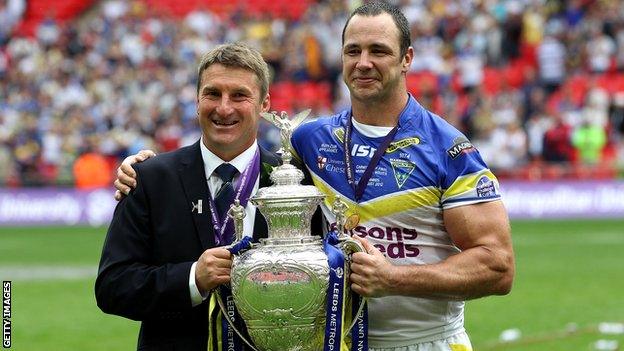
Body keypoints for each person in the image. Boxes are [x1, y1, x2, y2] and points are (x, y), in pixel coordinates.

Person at [114, 3, 515, 350]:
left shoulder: (448, 149)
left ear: (407, 58)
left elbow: (497, 267)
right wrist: (143, 168)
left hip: (424, 340)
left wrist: (395, 279)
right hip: (328, 340)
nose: (364, 63)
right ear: (340, 57)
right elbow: (235, 148)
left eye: (379, 50)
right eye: (353, 50)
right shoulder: (309, 141)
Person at [96, 43, 286, 351]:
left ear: (264, 104)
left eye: (239, 95)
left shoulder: (294, 182)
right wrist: (192, 279)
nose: (224, 108)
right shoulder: (150, 179)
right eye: (213, 94)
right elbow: (112, 287)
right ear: (197, 100)